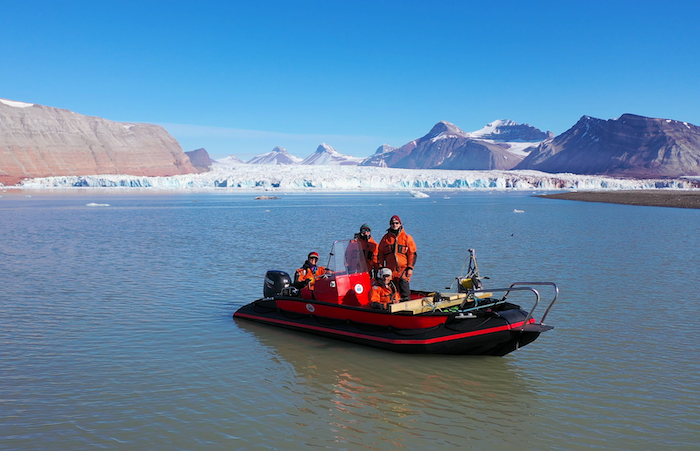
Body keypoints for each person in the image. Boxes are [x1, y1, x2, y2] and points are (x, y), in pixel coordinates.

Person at [378, 215, 417, 301]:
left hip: (403, 269)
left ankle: (407, 308)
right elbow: (380, 254)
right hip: (390, 270)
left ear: (400, 224)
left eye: (396, 223)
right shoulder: (385, 239)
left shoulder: (407, 238)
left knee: (404, 290)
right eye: (392, 223)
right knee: (392, 292)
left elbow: (412, 254)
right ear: (390, 225)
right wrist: (381, 267)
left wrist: (410, 268)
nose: (394, 225)